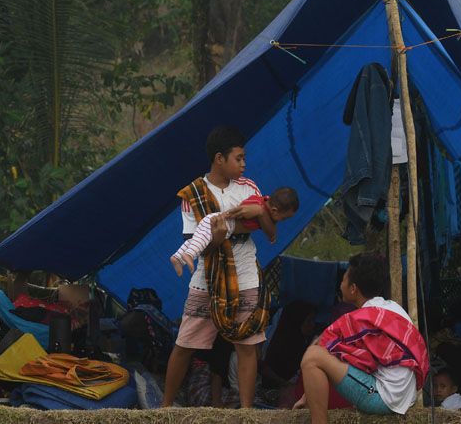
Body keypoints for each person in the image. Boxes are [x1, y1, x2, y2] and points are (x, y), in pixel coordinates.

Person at [162, 126, 268, 408]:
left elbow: (267, 225)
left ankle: (245, 412)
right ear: (219, 158)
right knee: (185, 344)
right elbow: (193, 246)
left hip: (246, 275)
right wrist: (220, 237)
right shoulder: (192, 194)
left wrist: (260, 212)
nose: (244, 164)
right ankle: (164, 408)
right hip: (207, 277)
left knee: (246, 347)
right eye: (239, 158)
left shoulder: (250, 188)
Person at [294, 254, 429, 424]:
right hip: (402, 396)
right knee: (330, 353)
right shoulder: (393, 308)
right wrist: (308, 396)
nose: (340, 284)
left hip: (385, 398)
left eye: (343, 279)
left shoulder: (361, 318)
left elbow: (322, 345)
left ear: (353, 289)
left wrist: (305, 396)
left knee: (312, 355)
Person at [170, 187, 299, 277]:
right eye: (284, 218)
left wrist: (260, 213)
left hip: (223, 225)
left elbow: (272, 234)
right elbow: (240, 210)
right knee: (200, 241)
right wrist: (226, 215)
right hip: (221, 221)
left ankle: (177, 258)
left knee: (197, 240)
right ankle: (189, 255)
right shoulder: (256, 202)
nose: (282, 221)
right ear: (275, 210)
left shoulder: (264, 212)